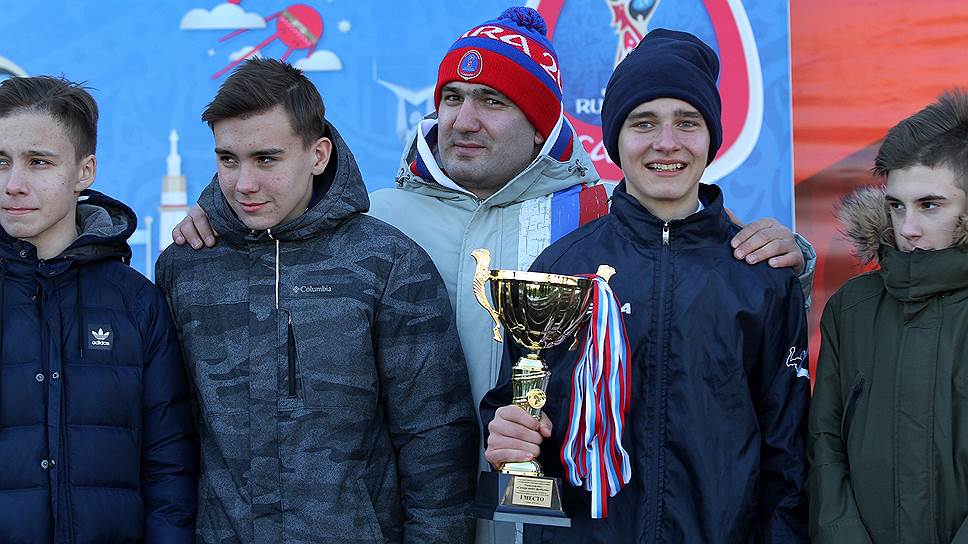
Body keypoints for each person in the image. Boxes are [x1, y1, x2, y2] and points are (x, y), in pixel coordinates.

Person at [172, 8, 815, 543]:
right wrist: (218, 213)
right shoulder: (377, 220)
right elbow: (278, 201)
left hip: (555, 520)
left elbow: (685, 272)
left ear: (540, 121)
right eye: (452, 98)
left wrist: (789, 255)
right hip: (419, 518)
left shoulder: (586, 222)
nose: (464, 119)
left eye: (492, 101)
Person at [481, 29, 811, 543]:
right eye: (644, 123)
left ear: (711, 138)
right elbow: (518, 414)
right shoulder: (561, 267)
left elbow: (788, 455)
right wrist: (505, 437)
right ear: (615, 138)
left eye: (688, 122)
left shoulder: (760, 275)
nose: (667, 143)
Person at [154, 59, 478, 543]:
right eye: (228, 159)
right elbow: (169, 439)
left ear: (318, 154)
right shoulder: (186, 265)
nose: (244, 183)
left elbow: (435, 437)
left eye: (266, 159)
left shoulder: (387, 263)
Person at [0, 76, 196, 542]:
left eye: (39, 163)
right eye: (0, 162)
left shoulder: (137, 302)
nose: (13, 184)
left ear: (84, 172)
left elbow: (169, 466)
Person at [808, 89, 968, 543]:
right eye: (896, 205)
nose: (907, 228)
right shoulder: (852, 309)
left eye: (930, 205)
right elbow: (824, 446)